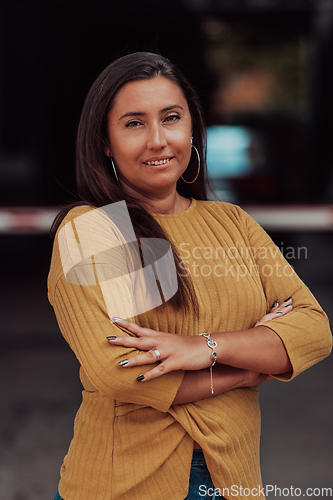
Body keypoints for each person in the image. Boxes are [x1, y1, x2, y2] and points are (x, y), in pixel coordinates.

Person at [48, 52, 332, 500]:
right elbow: (119, 372)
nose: (158, 140)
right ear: (105, 141)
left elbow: (314, 330)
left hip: (234, 479)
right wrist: (247, 368)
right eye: (134, 123)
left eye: (172, 118)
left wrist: (203, 348)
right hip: (127, 484)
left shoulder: (232, 222)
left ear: (192, 129)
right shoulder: (94, 228)